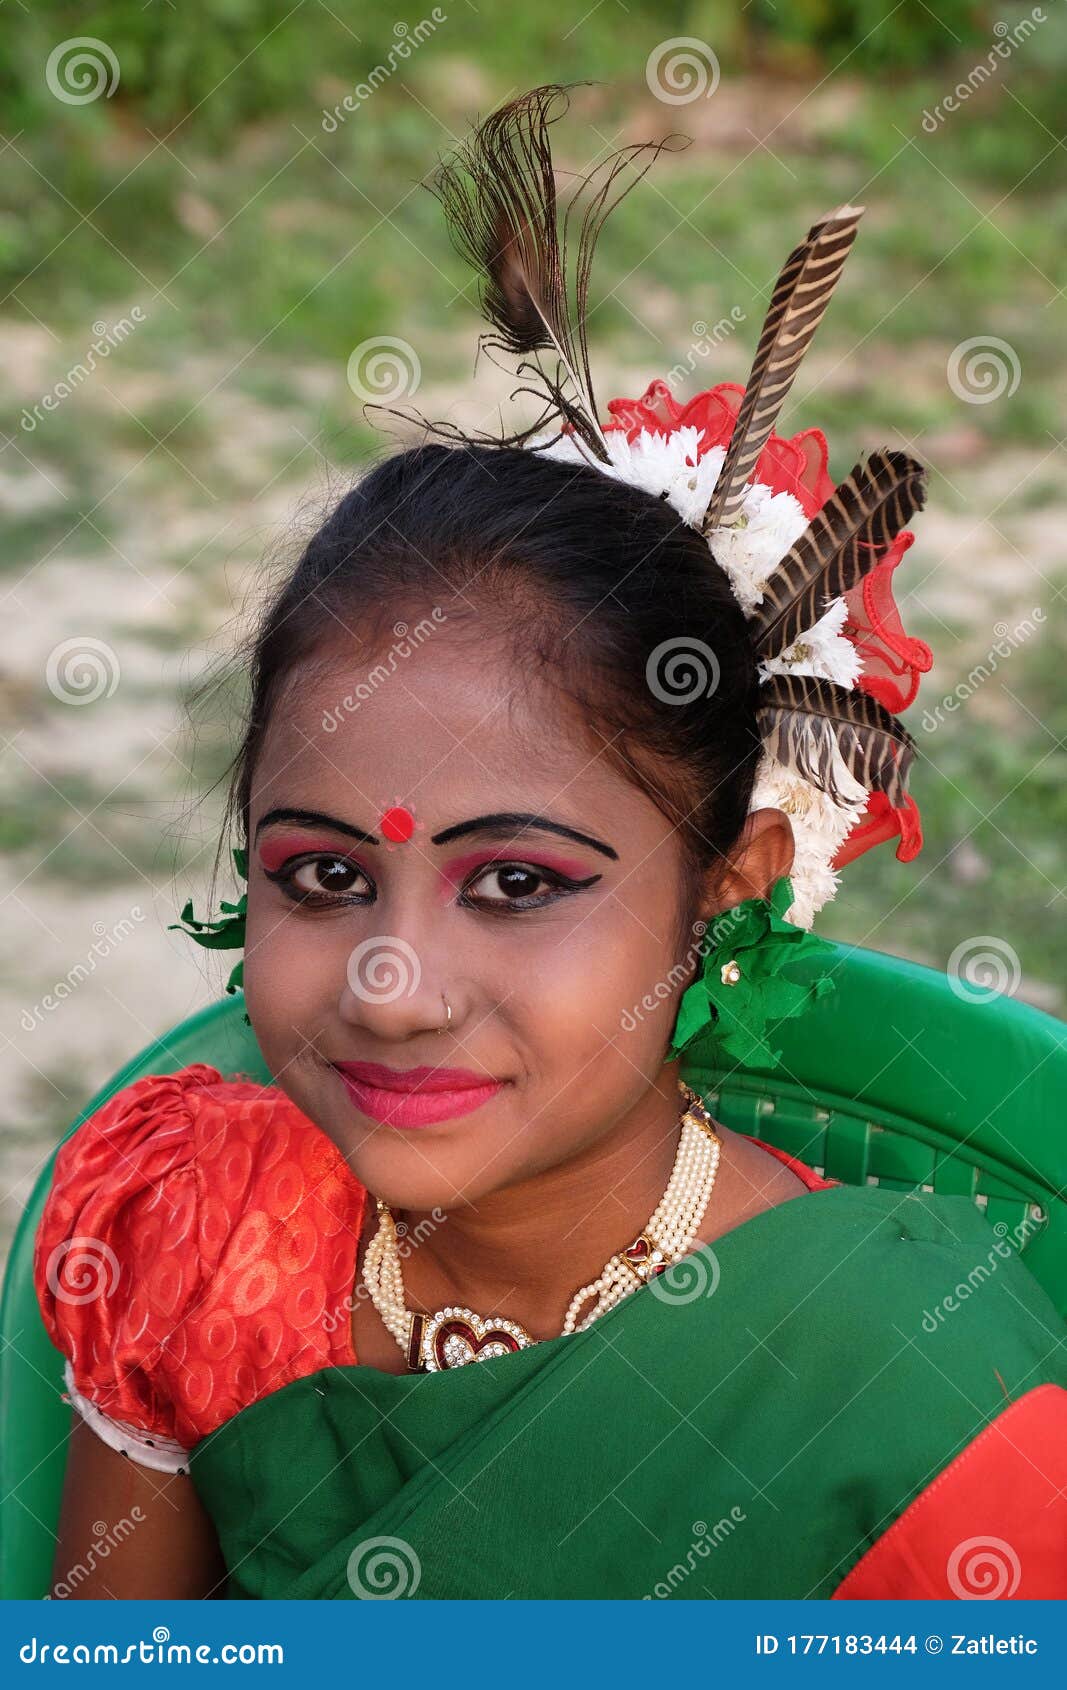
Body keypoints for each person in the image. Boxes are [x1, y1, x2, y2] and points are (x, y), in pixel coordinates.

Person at [33, 84, 1067, 1601]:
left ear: (724, 898)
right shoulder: (209, 1229)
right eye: (321, 873)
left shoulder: (899, 1382)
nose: (391, 982)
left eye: (517, 884)